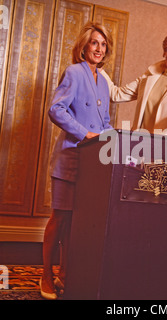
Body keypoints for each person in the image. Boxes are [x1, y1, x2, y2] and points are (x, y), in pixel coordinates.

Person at [40, 21, 113, 300]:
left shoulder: (103, 81)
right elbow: (56, 109)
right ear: (84, 46)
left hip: (93, 165)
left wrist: (110, 141)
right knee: (59, 219)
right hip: (70, 157)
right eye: (94, 42)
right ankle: (46, 274)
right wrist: (85, 134)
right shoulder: (74, 72)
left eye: (103, 44)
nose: (99, 48)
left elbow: (105, 122)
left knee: (78, 222)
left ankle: (66, 275)